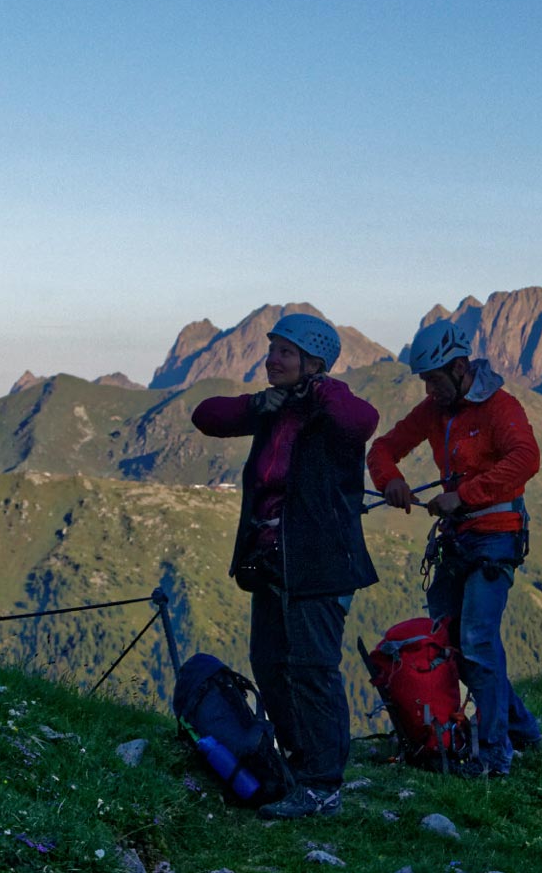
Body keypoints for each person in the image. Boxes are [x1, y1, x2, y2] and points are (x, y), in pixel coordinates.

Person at [190, 312, 379, 819]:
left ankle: (323, 783)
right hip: (272, 562)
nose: (271, 360)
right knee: (270, 664)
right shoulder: (273, 408)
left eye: (285, 353)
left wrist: (318, 390)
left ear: (313, 362)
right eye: (271, 350)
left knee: (313, 670)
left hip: (320, 565)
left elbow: (363, 422)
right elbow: (206, 416)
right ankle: (300, 764)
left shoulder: (330, 411)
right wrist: (260, 403)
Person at [367, 318, 542, 776]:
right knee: (454, 643)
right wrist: (392, 482)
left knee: (478, 641)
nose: (429, 389)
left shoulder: (500, 407)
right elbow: (383, 449)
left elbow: (526, 459)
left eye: (434, 379)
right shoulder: (433, 411)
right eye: (425, 380)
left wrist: (462, 496)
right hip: (459, 539)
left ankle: (495, 755)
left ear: (460, 367)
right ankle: (522, 729)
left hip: (497, 536)